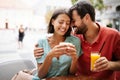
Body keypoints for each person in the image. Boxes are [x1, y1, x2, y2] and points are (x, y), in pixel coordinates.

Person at [69, 1, 120, 80]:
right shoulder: (74, 36)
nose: (72, 25)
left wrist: (109, 64)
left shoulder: (113, 35)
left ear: (86, 18)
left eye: (74, 21)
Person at [33, 8, 82, 80]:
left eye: (67, 23)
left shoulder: (75, 42)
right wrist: (50, 55)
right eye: (61, 22)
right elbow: (40, 75)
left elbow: (72, 73)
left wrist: (74, 59)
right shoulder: (42, 42)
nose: (64, 26)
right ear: (53, 22)